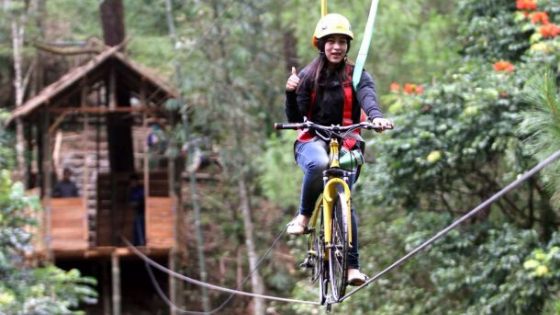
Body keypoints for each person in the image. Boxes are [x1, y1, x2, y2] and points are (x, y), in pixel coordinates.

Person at [283, 13, 394, 286]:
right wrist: (290, 92)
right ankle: (304, 214)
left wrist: (376, 117)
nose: (336, 47)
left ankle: (351, 267)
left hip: (347, 141)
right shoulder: (308, 76)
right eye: (330, 41)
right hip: (312, 138)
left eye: (342, 41)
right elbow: (293, 116)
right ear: (321, 45)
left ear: (348, 45)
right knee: (320, 164)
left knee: (345, 196)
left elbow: (368, 98)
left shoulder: (358, 76)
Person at [129, 174, 146, 246]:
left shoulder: (140, 189)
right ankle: (136, 243)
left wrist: (137, 202)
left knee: (140, 226)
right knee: (136, 226)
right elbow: (131, 201)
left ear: (136, 182)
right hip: (137, 212)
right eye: (131, 182)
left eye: (133, 182)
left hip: (142, 211)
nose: (132, 183)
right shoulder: (132, 190)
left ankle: (141, 243)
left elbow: (142, 199)